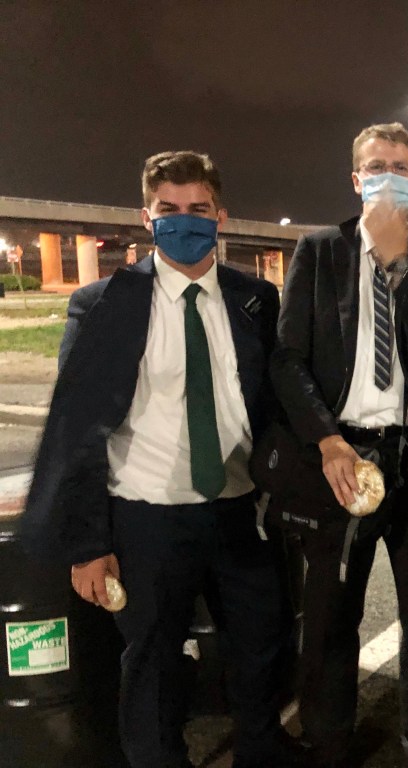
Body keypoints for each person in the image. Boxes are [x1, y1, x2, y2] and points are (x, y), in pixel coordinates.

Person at [21, 151, 304, 768]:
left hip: (237, 510)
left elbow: (275, 399)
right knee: (151, 662)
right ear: (146, 217)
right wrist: (88, 545)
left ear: (220, 216)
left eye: (198, 208)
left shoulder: (255, 299)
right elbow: (74, 429)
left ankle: (262, 751)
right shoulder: (104, 303)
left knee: (261, 645)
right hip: (145, 517)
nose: (184, 220)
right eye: (168, 209)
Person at [271, 122, 408, 768]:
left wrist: (399, 264)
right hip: (342, 454)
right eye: (376, 166)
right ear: (356, 180)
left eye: (402, 167)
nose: (389, 176)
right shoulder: (320, 251)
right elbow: (287, 359)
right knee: (330, 613)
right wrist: (326, 441)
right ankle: (328, 740)